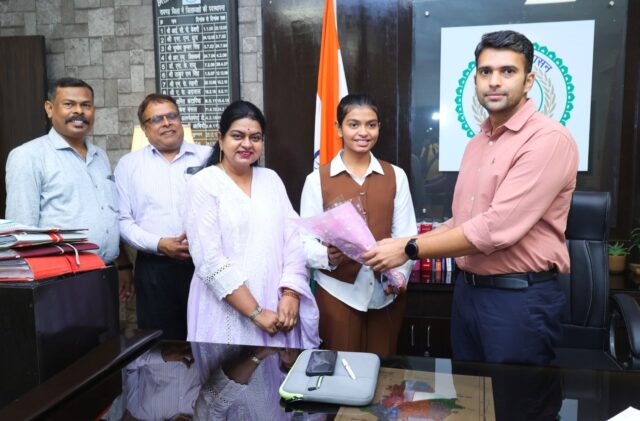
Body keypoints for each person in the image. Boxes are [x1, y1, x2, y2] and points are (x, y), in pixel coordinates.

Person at [364, 30, 579, 366]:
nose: (494, 81)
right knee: (468, 393)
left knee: (514, 396)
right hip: (468, 294)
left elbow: (494, 228)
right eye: (485, 71)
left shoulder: (548, 140)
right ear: (475, 79)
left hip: (517, 300)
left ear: (528, 81)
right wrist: (402, 242)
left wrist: (408, 249)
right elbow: (462, 222)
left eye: (508, 71)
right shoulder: (477, 143)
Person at [182, 100, 320, 347]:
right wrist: (255, 312)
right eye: (238, 136)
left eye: (255, 137)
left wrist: (291, 293)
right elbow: (209, 260)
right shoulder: (203, 184)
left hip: (276, 306)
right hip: (225, 309)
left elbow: (293, 240)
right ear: (220, 138)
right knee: (232, 370)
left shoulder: (271, 179)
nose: (247, 144)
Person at [300, 94, 417, 355]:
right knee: (340, 370)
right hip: (337, 293)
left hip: (387, 293)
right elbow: (303, 241)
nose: (363, 132)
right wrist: (327, 256)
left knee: (384, 368)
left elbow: (407, 236)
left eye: (371, 125)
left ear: (379, 128)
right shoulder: (316, 180)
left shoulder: (396, 176)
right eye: (354, 124)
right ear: (338, 128)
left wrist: (399, 276)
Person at [5, 77, 132, 299]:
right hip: (60, 280)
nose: (79, 111)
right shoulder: (28, 156)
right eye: (69, 104)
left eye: (86, 105)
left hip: (104, 273)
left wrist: (122, 264)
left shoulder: (100, 156)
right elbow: (21, 230)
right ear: (49, 108)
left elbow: (107, 215)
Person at [114, 93, 211, 340]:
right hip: (154, 270)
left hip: (205, 265)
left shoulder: (208, 157)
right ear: (145, 129)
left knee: (209, 338)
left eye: (172, 116)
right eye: (157, 119)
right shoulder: (128, 165)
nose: (167, 123)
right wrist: (159, 244)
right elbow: (122, 221)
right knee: (162, 345)